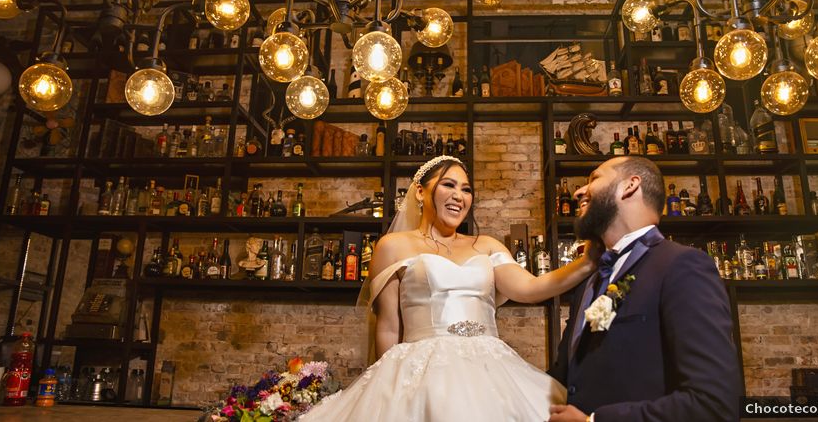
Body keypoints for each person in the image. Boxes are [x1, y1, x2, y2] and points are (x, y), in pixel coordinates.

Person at [299, 155, 595, 421]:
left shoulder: (487, 245)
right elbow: (388, 327)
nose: (459, 196)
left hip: (490, 372)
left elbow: (530, 288)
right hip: (423, 374)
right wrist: (384, 391)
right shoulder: (393, 246)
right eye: (448, 185)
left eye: (466, 189)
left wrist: (589, 261)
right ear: (420, 192)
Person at [548, 156, 739, 422]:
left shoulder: (680, 266)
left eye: (594, 179)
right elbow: (567, 378)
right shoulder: (588, 283)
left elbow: (713, 404)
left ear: (630, 185)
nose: (579, 191)